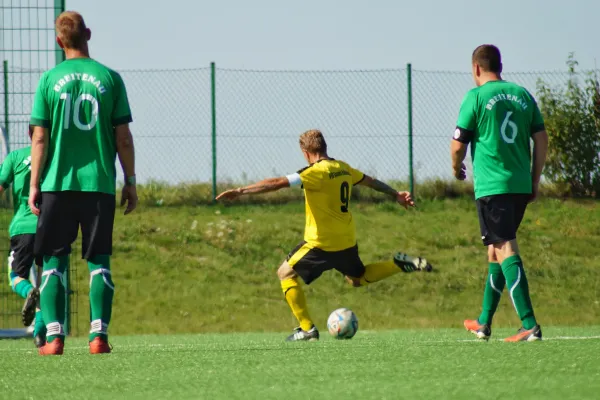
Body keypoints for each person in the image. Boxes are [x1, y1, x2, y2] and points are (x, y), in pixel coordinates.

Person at [217, 129, 432, 341]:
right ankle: (398, 264)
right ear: (324, 147)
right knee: (357, 278)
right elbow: (372, 182)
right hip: (346, 240)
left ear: (305, 151)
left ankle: (307, 329)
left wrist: (241, 191)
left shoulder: (314, 172)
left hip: (320, 244)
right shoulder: (343, 168)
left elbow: (276, 183)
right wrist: (396, 194)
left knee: (285, 273)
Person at [29, 11, 137, 356]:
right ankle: (97, 336)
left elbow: (40, 138)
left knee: (53, 262)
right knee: (99, 261)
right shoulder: (110, 78)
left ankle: (55, 337)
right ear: (88, 34)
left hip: (57, 184)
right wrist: (131, 181)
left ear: (59, 41)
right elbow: (123, 137)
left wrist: (34, 184)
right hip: (99, 184)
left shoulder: (49, 80)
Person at [450, 44, 548, 342]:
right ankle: (483, 322)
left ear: (476, 68)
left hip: (493, 188)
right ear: (499, 66)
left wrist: (456, 168)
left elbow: (458, 145)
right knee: (494, 250)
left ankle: (529, 324)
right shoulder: (521, 94)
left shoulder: (476, 97)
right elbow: (541, 139)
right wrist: (535, 179)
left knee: (505, 247)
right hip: (519, 185)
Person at [0, 127, 46, 348]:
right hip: (51, 226)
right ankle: (41, 333)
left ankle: (28, 292)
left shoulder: (15, 157)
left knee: (16, 276)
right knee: (47, 280)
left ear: (30, 134)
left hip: (23, 227)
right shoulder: (55, 155)